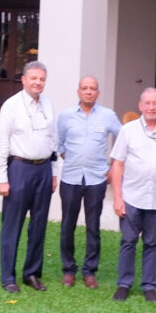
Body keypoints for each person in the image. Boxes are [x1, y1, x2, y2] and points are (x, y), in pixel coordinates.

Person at [109, 88, 156, 303]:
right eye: (147, 103)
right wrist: (117, 198)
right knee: (128, 241)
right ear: (140, 106)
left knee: (152, 243)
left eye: (155, 103)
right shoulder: (128, 130)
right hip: (131, 197)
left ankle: (149, 286)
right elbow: (117, 164)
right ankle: (124, 284)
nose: (151, 107)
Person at [0, 61, 60, 293]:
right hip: (19, 168)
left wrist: (53, 172)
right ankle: (8, 277)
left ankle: (32, 273)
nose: (38, 83)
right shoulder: (11, 106)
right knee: (12, 225)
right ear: (23, 79)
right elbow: (1, 143)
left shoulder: (48, 104)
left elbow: (53, 140)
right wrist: (2, 178)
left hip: (43, 169)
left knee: (39, 225)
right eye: (33, 78)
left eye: (42, 79)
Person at [56, 76, 122, 288]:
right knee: (68, 225)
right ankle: (68, 269)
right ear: (78, 92)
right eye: (84, 88)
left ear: (98, 93)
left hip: (97, 179)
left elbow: (123, 140)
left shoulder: (108, 115)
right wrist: (72, 158)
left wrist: (114, 167)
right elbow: (58, 143)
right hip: (71, 178)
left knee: (93, 226)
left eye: (92, 88)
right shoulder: (66, 116)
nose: (88, 92)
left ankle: (90, 271)